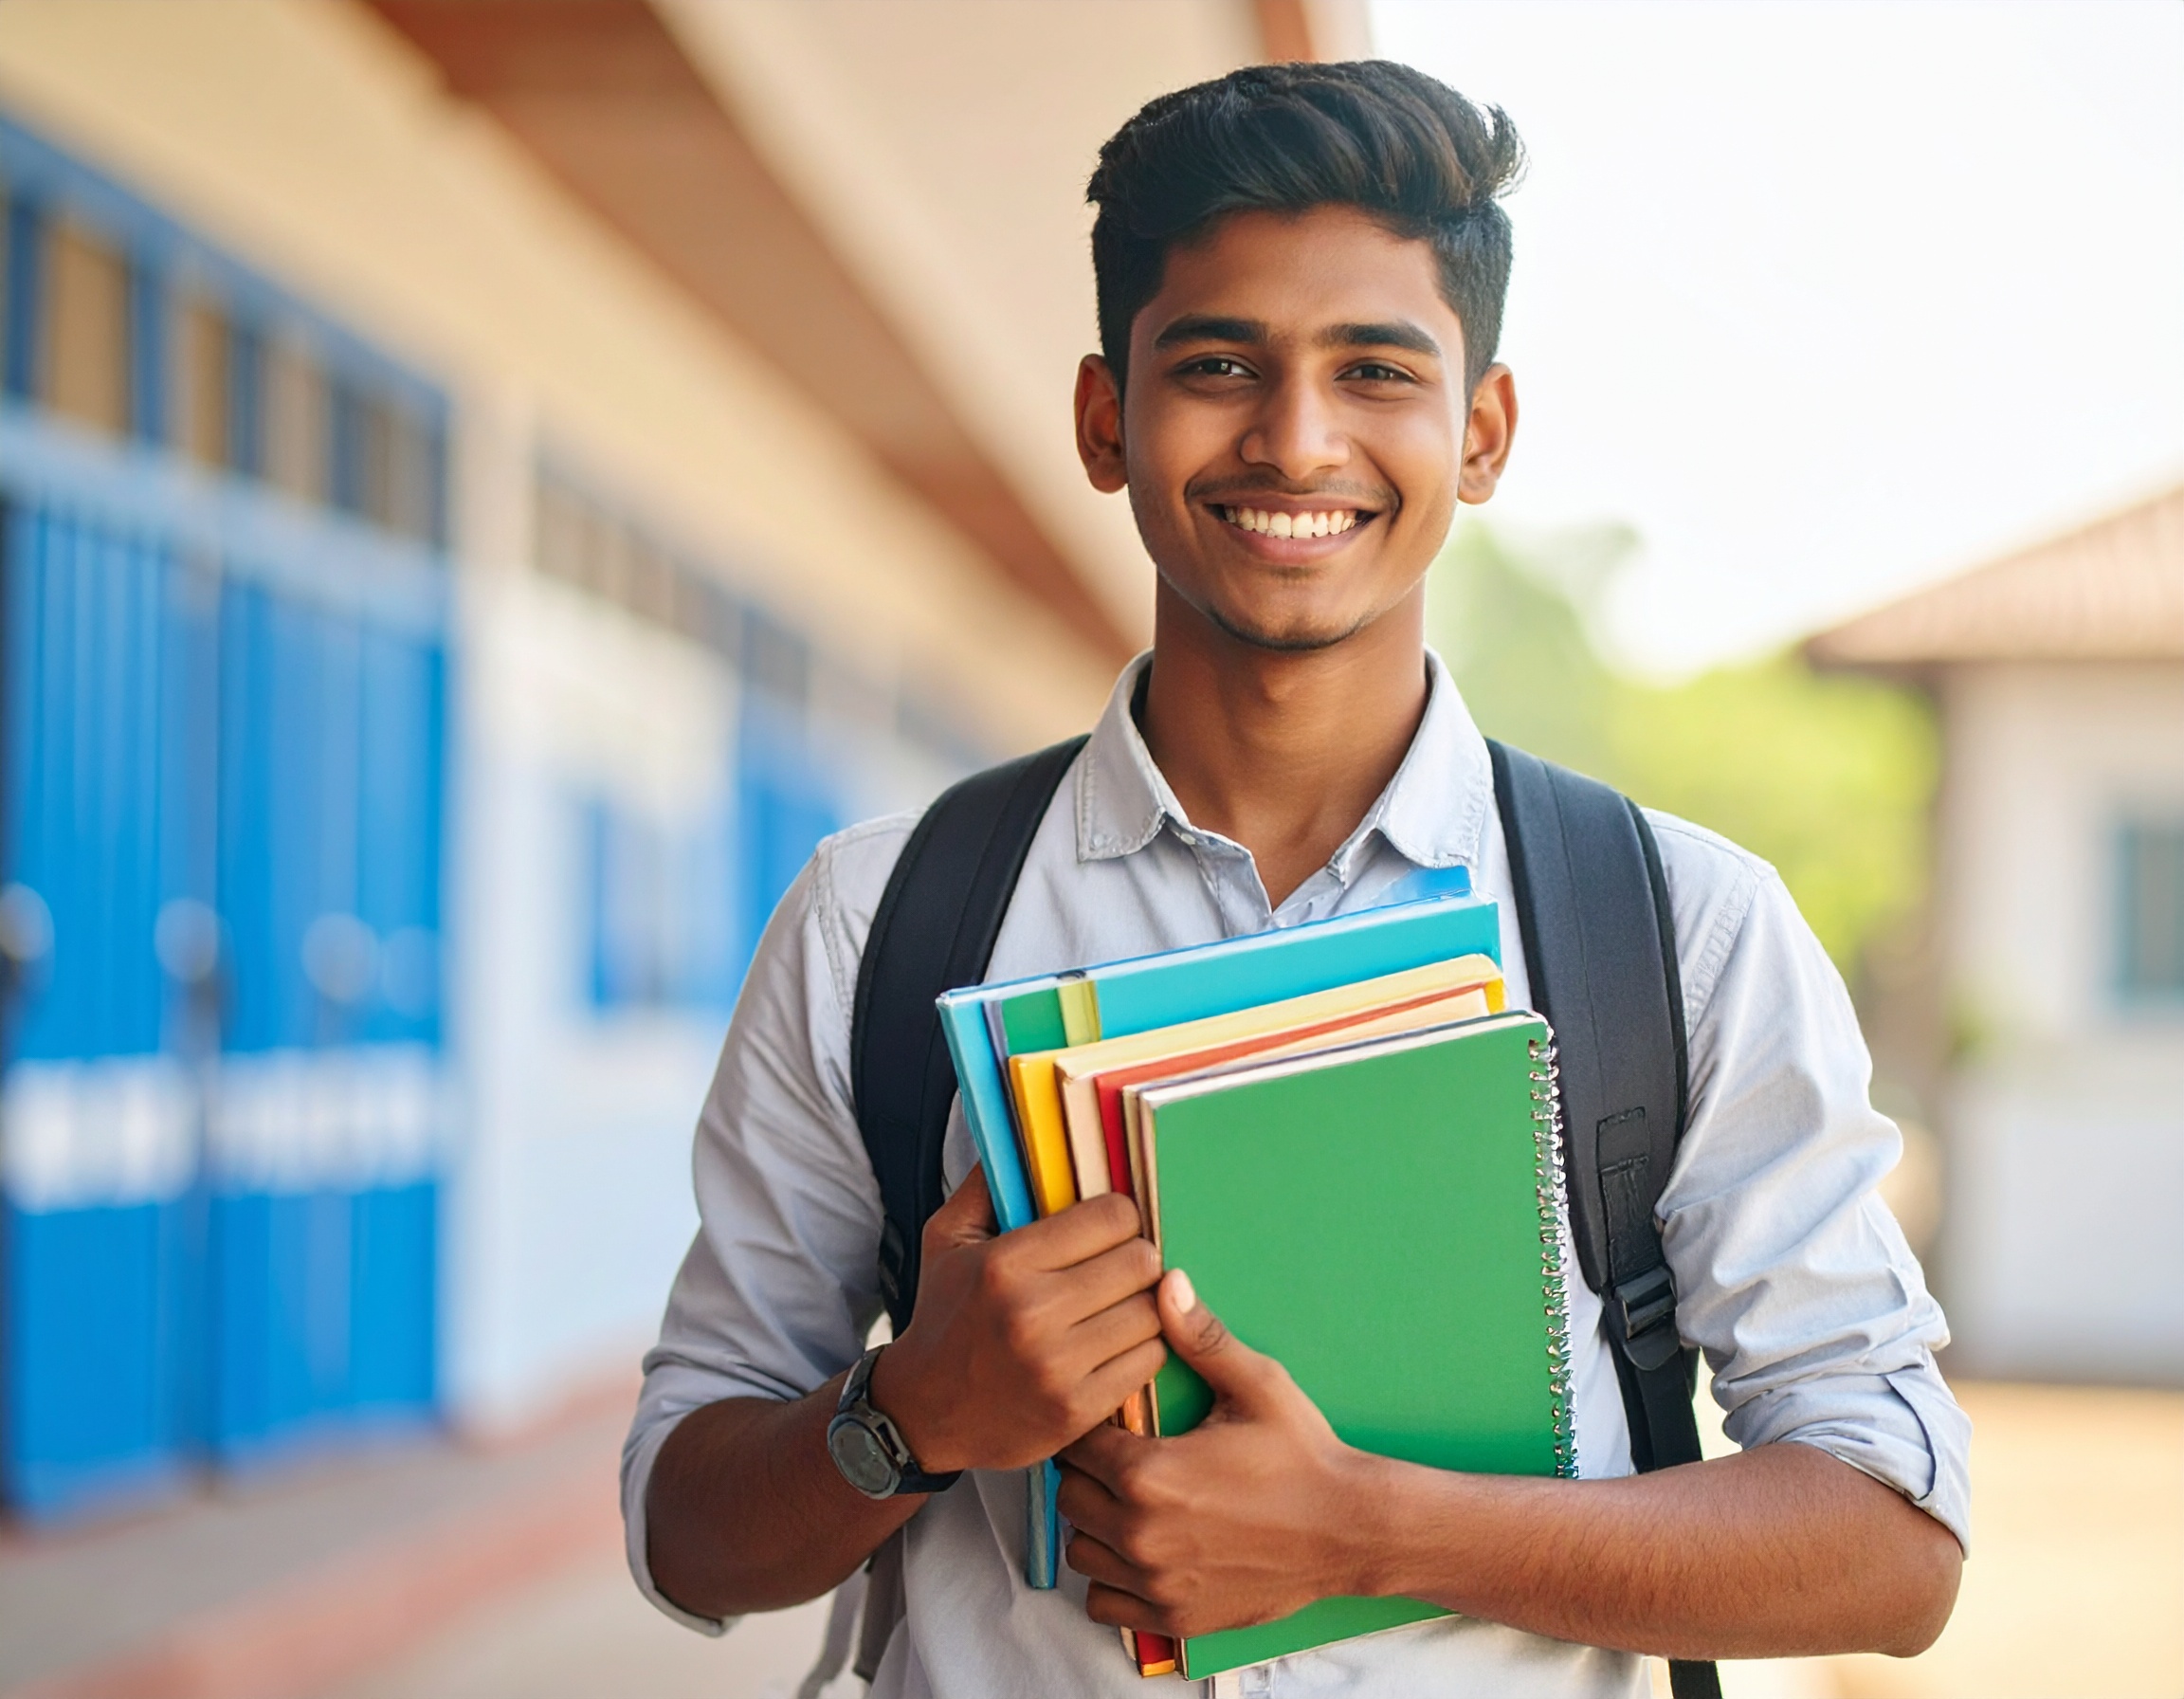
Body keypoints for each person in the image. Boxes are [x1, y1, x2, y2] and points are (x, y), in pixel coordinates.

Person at [624, 60, 1968, 1697]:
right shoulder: (878, 923)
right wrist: (908, 1417)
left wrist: (1370, 1535)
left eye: (1376, 370)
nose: (1297, 437)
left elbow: (1894, 1541)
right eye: (1218, 364)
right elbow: (686, 1531)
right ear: (1104, 420)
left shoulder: (1678, 932)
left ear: (1480, 434)